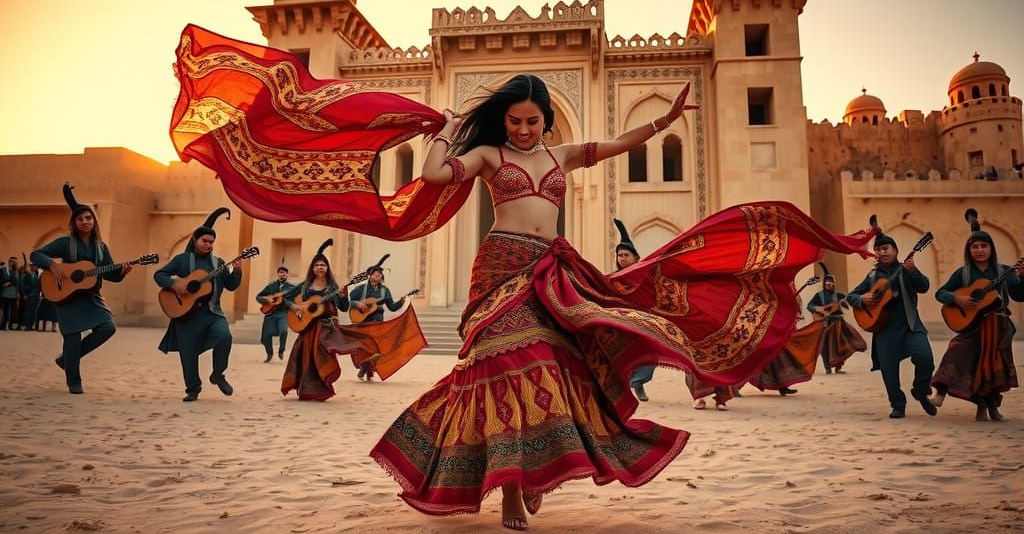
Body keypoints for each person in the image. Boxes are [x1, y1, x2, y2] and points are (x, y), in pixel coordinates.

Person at [170, 34, 877, 531]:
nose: (525, 128)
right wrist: (447, 130)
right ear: (503, 121)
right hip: (500, 267)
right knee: (503, 368)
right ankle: (511, 490)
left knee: (556, 365)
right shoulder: (486, 155)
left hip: (551, 269)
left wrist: (661, 122)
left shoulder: (560, 155)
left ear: (546, 120)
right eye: (516, 120)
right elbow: (433, 175)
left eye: (534, 120)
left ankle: (530, 475)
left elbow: (612, 145)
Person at [31, 183, 132, 393]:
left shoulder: (101, 248)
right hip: (66, 296)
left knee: (108, 328)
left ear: (94, 221)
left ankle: (67, 359)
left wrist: (122, 272)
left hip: (91, 297)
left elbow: (109, 274)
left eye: (88, 218)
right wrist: (52, 265)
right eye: (80, 219)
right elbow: (36, 255)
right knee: (72, 337)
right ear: (74, 223)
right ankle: (74, 382)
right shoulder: (65, 243)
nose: (85, 222)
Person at [931, 209, 1023, 421]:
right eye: (975, 246)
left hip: (998, 328)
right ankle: (941, 393)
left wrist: (1023, 277)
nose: (980, 250)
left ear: (991, 248)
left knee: (990, 366)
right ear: (969, 250)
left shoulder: (1004, 271)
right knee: (956, 349)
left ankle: (990, 409)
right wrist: (957, 299)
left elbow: (1019, 295)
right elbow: (940, 293)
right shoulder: (963, 273)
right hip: (972, 327)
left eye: (984, 246)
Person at [847, 215, 937, 419]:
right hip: (885, 329)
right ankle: (898, 404)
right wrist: (862, 299)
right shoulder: (872, 276)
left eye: (886, 248)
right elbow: (851, 296)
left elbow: (924, 287)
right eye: (878, 249)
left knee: (925, 358)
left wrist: (914, 271)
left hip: (911, 325)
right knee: (889, 370)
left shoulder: (906, 270)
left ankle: (920, 390)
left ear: (895, 250)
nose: (882, 252)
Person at [154, 208, 242, 402]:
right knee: (188, 353)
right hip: (186, 314)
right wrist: (174, 284)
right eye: (205, 241)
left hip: (213, 313)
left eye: (211, 242)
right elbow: (159, 275)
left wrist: (237, 272)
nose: (208, 245)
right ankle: (193, 389)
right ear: (195, 240)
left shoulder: (218, 263)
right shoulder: (182, 260)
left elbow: (231, 286)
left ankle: (218, 374)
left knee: (225, 337)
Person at [280, 239, 351, 400]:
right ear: (312, 268)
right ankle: (306, 389)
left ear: (327, 268)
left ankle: (321, 390)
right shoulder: (305, 285)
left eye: (323, 265)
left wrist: (343, 296)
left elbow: (343, 307)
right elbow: (285, 299)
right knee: (305, 356)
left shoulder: (333, 287)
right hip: (307, 326)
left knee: (319, 355)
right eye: (317, 265)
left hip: (325, 327)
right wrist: (295, 307)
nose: (320, 267)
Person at [339, 258, 409, 381]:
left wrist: (400, 302)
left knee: (378, 348)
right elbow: (348, 301)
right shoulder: (360, 289)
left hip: (377, 321)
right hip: (363, 321)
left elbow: (392, 307)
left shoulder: (384, 291)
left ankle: (365, 367)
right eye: (375, 274)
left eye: (379, 275)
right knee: (365, 348)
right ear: (370, 275)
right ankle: (366, 369)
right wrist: (358, 304)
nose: (377, 277)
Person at [611, 219, 656, 402]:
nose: (622, 258)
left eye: (626, 255)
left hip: (643, 321)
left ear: (636, 258)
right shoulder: (613, 279)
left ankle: (637, 382)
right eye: (620, 255)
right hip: (621, 323)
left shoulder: (645, 277)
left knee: (651, 350)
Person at [807, 262, 866, 374]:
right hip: (825, 324)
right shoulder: (819, 296)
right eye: (827, 282)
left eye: (831, 282)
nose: (829, 284)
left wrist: (851, 300)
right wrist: (820, 309)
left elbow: (848, 302)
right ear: (824, 283)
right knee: (825, 346)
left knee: (840, 344)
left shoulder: (838, 295)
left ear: (834, 283)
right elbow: (810, 305)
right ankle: (827, 368)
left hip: (838, 323)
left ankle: (838, 367)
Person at [255, 265, 295, 362]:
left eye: (284, 273)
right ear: (278, 274)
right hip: (270, 313)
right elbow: (258, 297)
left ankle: (281, 350)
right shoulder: (271, 286)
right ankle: (269, 354)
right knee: (266, 335)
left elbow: (297, 297)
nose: (282, 274)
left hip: (282, 313)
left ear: (287, 274)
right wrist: (267, 300)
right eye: (280, 272)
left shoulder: (291, 287)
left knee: (284, 331)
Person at [19, 260, 41, 332]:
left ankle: (31, 325)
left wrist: (39, 294)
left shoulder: (36, 276)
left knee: (33, 311)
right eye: (34, 266)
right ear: (31, 267)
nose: (36, 267)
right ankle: (27, 325)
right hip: (29, 295)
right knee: (28, 311)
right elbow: (23, 285)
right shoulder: (27, 276)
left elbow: (38, 287)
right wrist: (25, 294)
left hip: (36, 296)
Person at [1, 257, 20, 330]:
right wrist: (5, 283)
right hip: (5, 293)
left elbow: (16, 283)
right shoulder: (4, 270)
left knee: (13, 311)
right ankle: (3, 325)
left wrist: (18, 292)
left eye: (15, 262)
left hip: (14, 294)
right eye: (11, 261)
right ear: (9, 262)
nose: (13, 263)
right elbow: (2, 280)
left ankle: (10, 326)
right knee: (5, 311)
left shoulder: (16, 272)